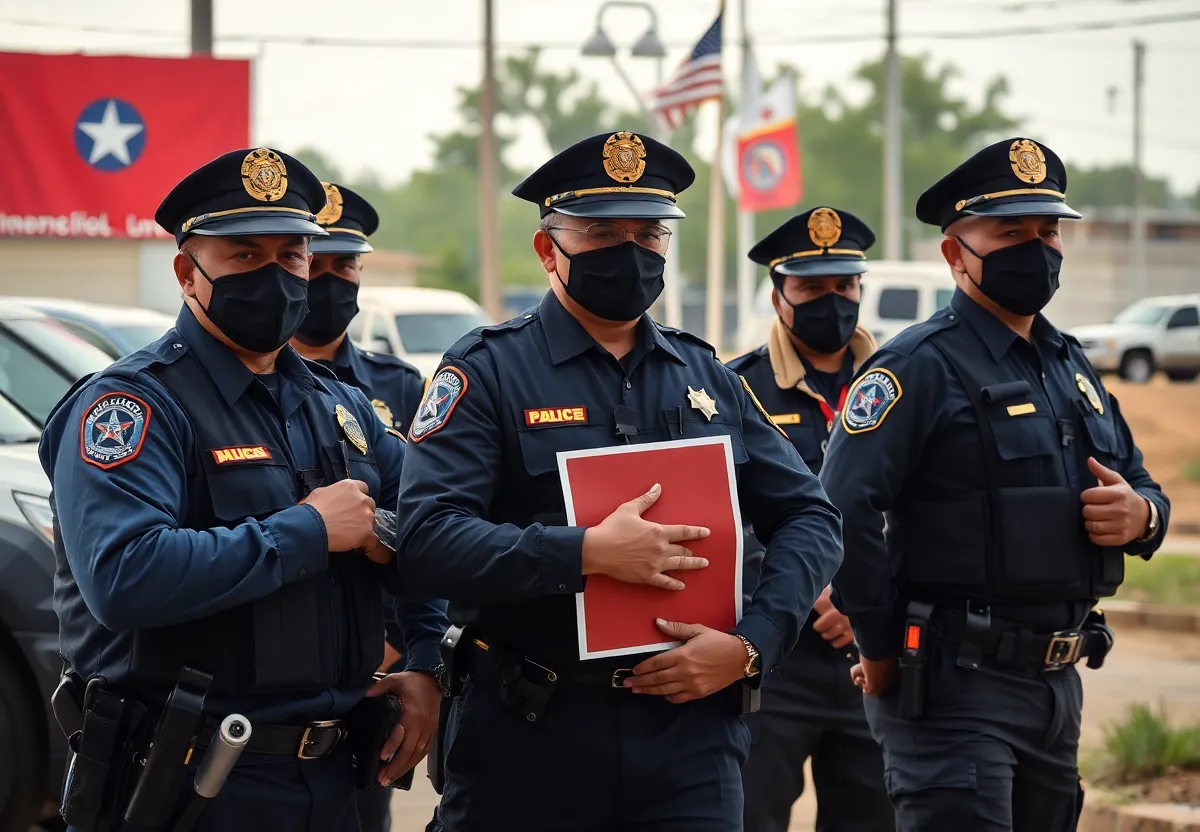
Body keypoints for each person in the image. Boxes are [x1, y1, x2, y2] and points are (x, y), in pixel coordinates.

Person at [389, 130, 843, 832]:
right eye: (601, 231)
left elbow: (811, 517)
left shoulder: (706, 375)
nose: (630, 252)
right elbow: (425, 541)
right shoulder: (487, 371)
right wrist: (583, 553)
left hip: (692, 742)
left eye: (649, 232)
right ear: (549, 249)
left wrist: (752, 646)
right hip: (532, 738)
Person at [39, 148, 444, 831]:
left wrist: (428, 658)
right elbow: (124, 576)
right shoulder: (132, 407)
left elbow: (432, 532)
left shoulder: (339, 406)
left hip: (338, 774)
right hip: (190, 783)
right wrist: (310, 532)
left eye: (291, 256)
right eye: (244, 256)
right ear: (187, 273)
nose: (277, 276)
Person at [819, 137, 1170, 831]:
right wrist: (878, 644)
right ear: (954, 254)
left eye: (1047, 231)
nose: (1035, 248)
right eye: (1011, 233)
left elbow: (1142, 483)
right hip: (953, 690)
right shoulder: (916, 366)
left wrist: (1142, 518)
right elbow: (843, 508)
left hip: (1057, 689)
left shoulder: (1070, 365)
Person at [727, 207, 894, 832]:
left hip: (874, 653)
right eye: (811, 288)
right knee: (748, 816)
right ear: (779, 296)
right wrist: (804, 591)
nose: (833, 301)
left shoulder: (902, 381)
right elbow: (726, 517)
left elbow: (922, 509)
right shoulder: (734, 389)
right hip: (776, 655)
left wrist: (864, 601)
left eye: (845, 286)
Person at [290, 181, 444, 832]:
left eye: (343, 267)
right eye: (314, 264)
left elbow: (426, 519)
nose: (329, 282)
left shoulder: (396, 385)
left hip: (373, 669)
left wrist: (408, 651)